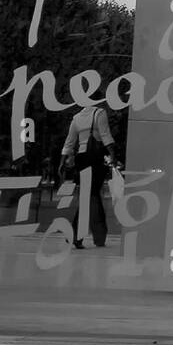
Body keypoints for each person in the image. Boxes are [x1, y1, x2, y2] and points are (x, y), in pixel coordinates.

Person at [61, 103, 117, 249]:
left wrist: (62, 162)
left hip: (82, 159)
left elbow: (69, 142)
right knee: (92, 195)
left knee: (90, 196)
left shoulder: (77, 117)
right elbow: (105, 135)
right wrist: (113, 155)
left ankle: (89, 236)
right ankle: (90, 235)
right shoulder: (100, 113)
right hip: (95, 158)